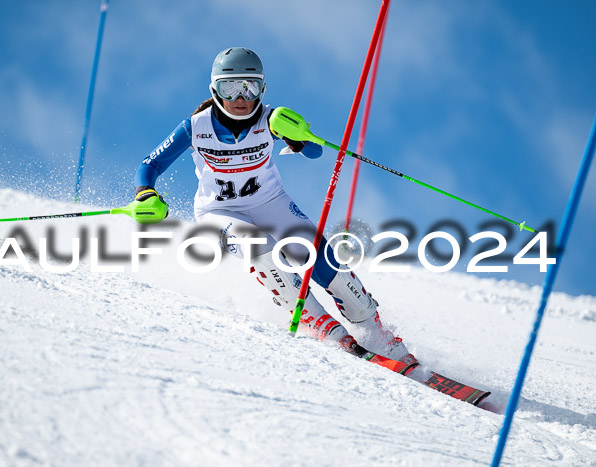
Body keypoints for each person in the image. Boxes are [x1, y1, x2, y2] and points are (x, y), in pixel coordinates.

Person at [133, 47, 415, 364]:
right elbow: (150, 164)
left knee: (322, 259)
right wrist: (145, 193)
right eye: (230, 87)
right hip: (218, 213)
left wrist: (299, 138)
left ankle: (380, 336)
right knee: (260, 248)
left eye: (249, 87)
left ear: (262, 88)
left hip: (271, 203)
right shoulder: (195, 127)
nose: (240, 97)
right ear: (215, 90)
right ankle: (323, 326)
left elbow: (315, 154)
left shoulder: (272, 119)